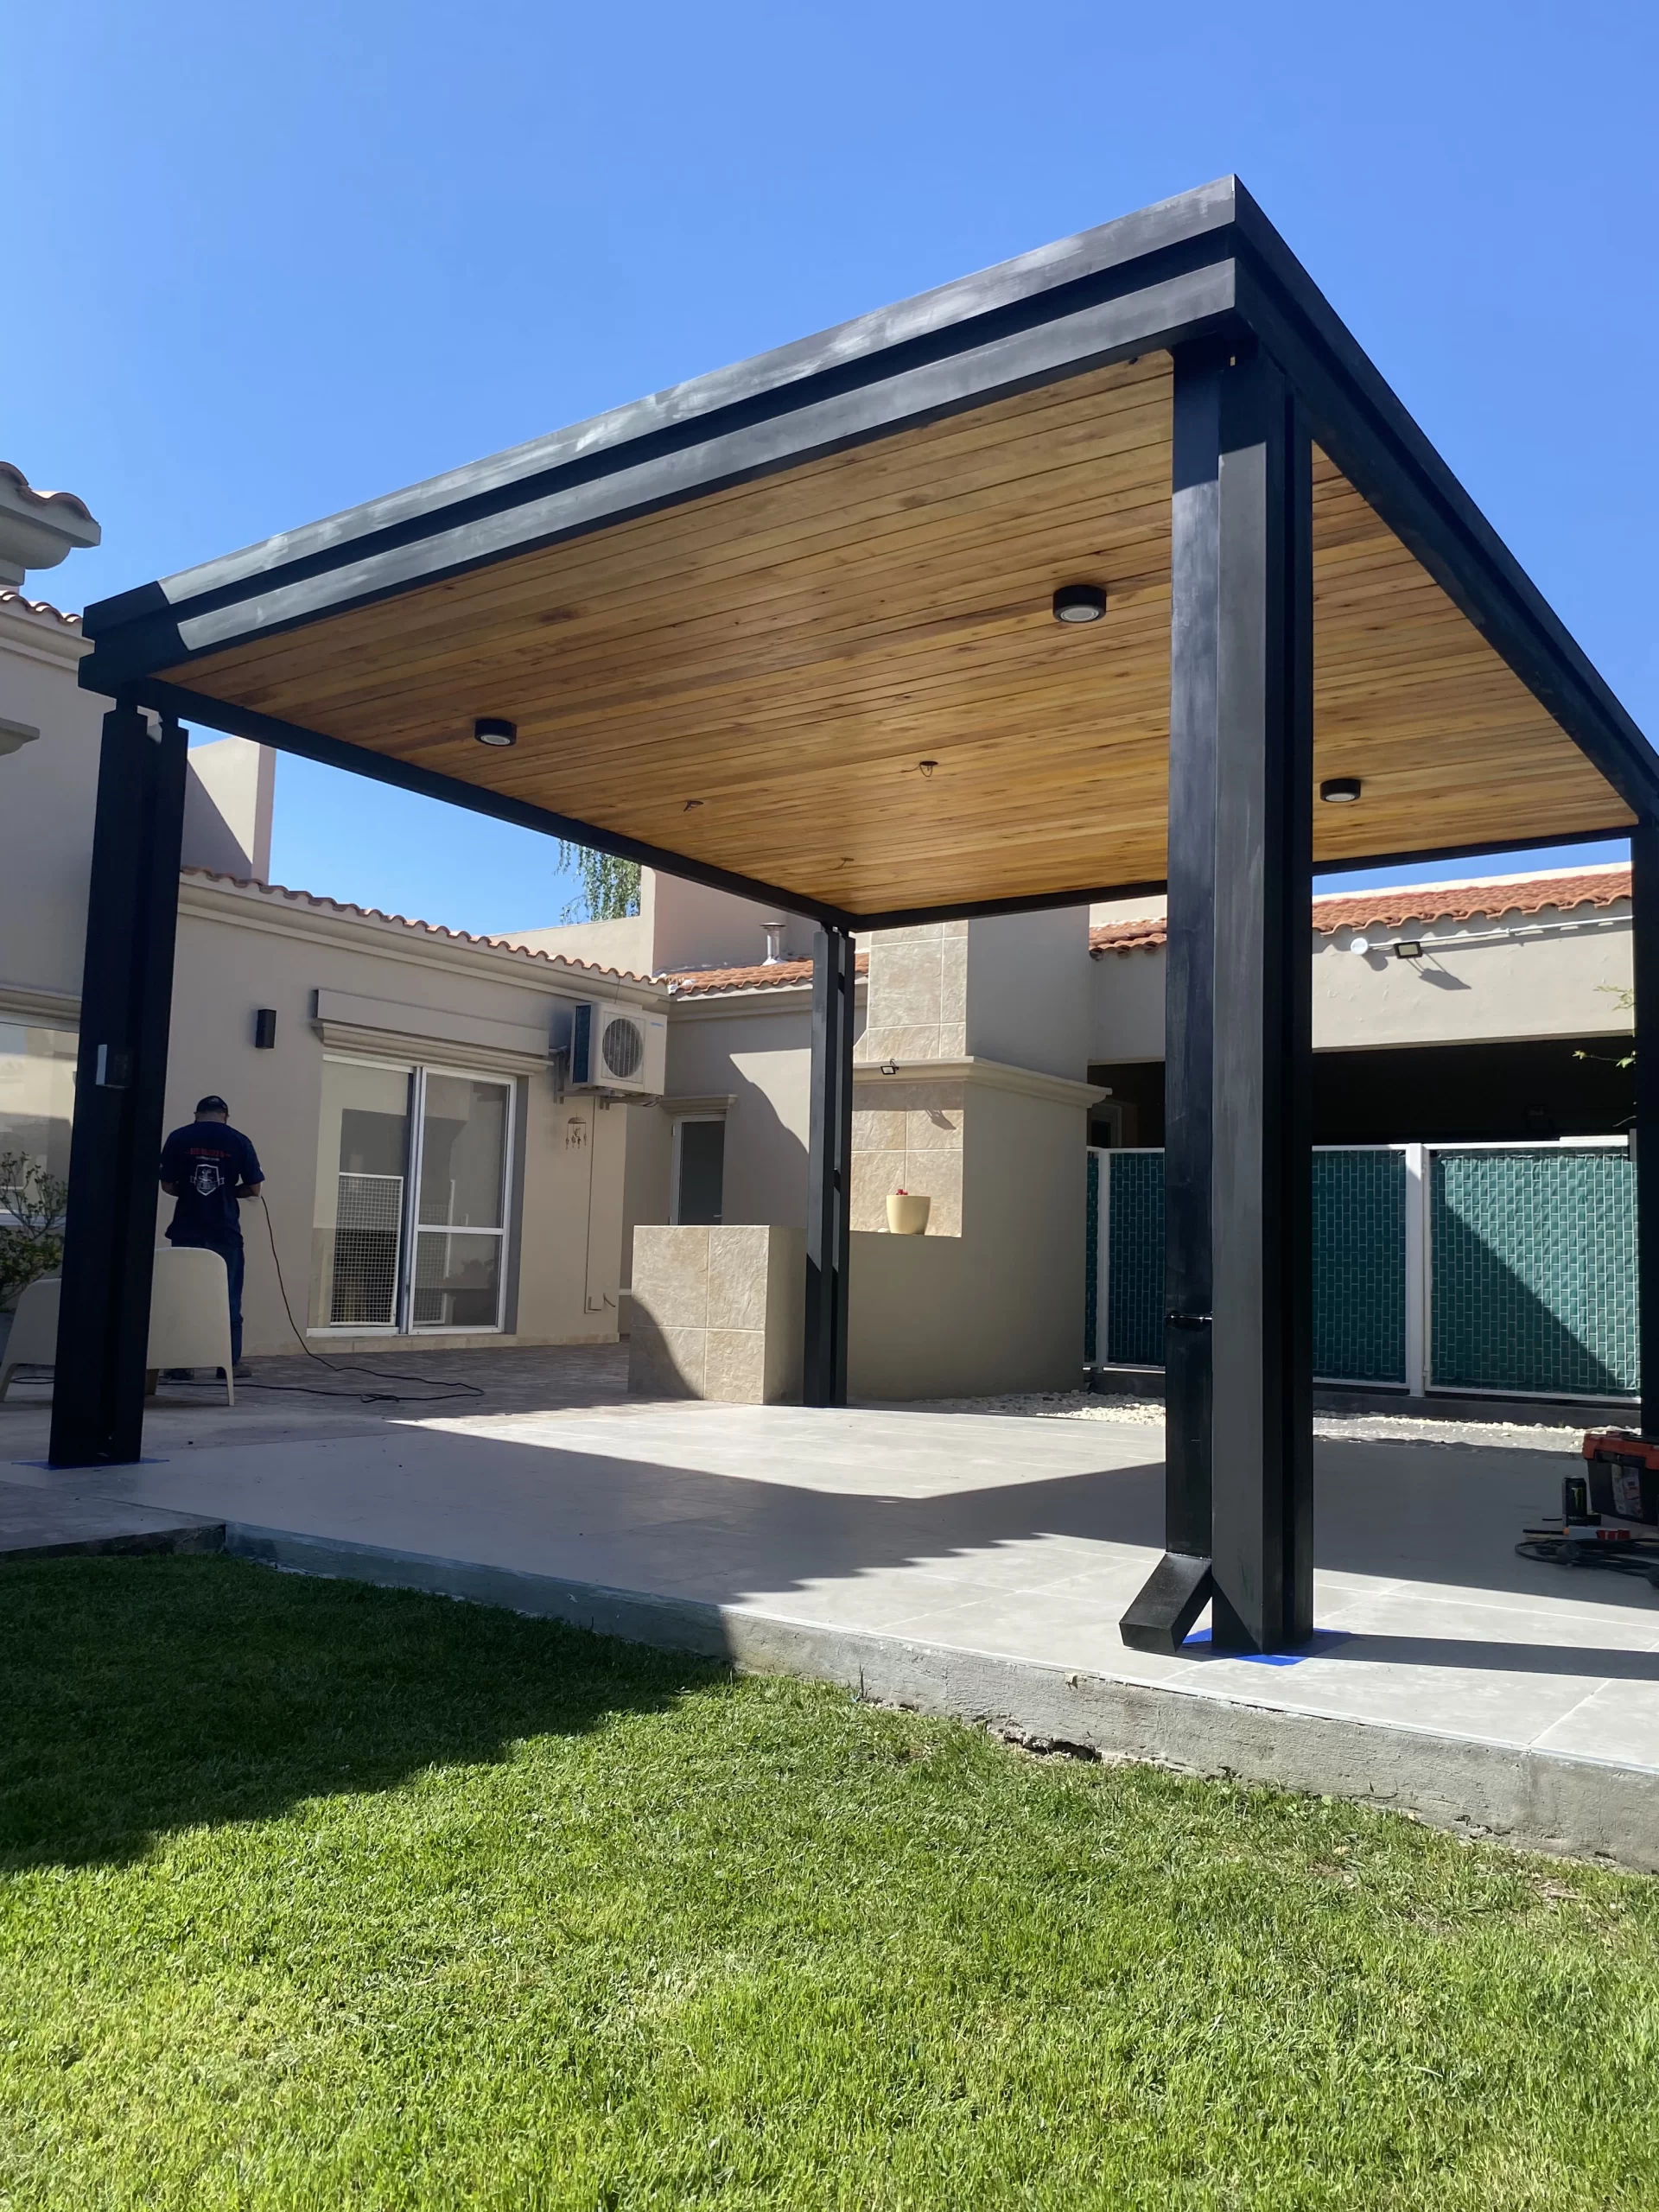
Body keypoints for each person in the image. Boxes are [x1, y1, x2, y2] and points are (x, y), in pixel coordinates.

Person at [158, 1094, 264, 1379]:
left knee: (184, 1295)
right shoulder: (239, 1141)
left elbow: (167, 1185)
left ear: (197, 1114)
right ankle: (228, 1364)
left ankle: (181, 1365)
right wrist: (227, 1192)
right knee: (228, 1296)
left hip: (186, 1230)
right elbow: (254, 1189)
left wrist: (189, 1191)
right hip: (225, 1232)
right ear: (225, 1116)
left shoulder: (179, 1137)